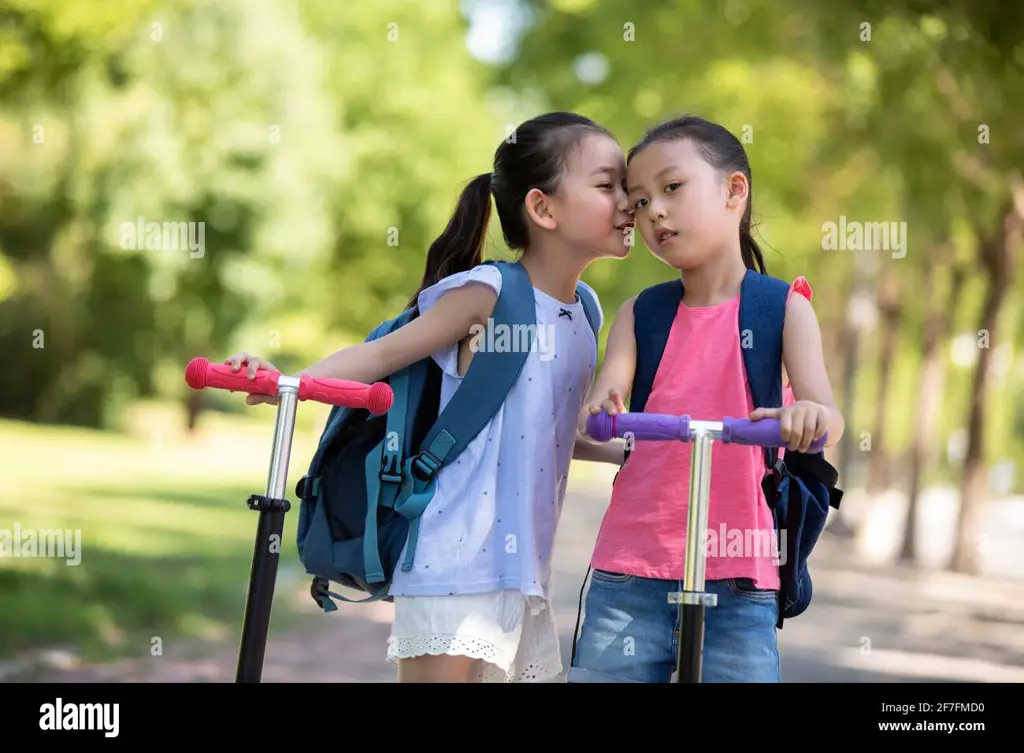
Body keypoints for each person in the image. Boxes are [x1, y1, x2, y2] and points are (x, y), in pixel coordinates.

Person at [222, 112, 633, 683]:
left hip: (522, 573)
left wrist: (642, 453)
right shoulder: (489, 295)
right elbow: (381, 356)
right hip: (452, 562)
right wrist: (291, 382)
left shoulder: (584, 312)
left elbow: (553, 434)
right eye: (607, 184)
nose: (630, 200)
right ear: (544, 209)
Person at [569, 115, 846, 683]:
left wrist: (805, 416)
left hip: (740, 577)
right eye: (640, 202)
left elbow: (827, 417)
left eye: (672, 188)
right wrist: (606, 407)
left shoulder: (782, 309)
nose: (655, 213)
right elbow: (601, 407)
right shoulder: (641, 313)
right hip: (629, 575)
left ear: (733, 191)